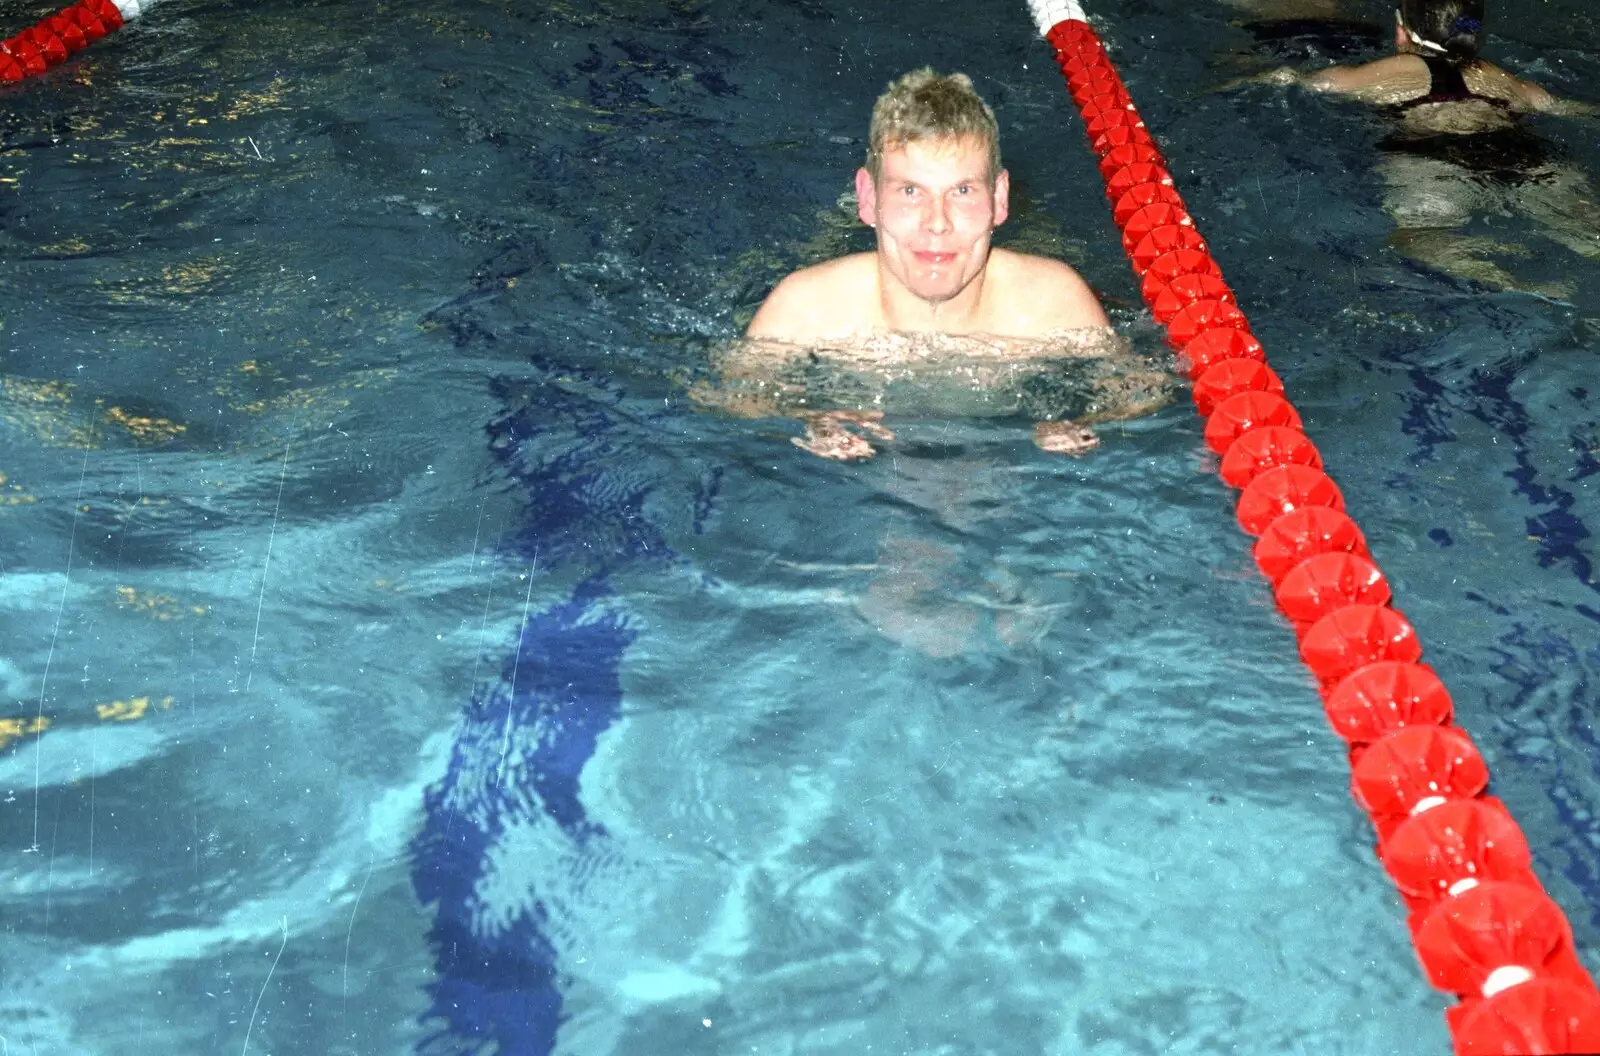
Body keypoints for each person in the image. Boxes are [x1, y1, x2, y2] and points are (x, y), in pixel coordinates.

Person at [713, 67, 1167, 461]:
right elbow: (731, 403)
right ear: (868, 199)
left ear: (999, 198)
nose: (937, 223)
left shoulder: (1050, 302)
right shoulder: (808, 307)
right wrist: (809, 419)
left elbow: (1139, 396)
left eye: (963, 191)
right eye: (910, 190)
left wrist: (1083, 421)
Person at [1249, 0, 1598, 296]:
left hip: (1437, 158)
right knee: (1588, 233)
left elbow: (1320, 82)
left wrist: (1265, 77)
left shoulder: (1392, 70)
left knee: (1417, 238)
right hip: (1524, 154)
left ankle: (1522, 286)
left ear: (1401, 31)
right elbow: (1563, 107)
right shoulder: (1499, 76)